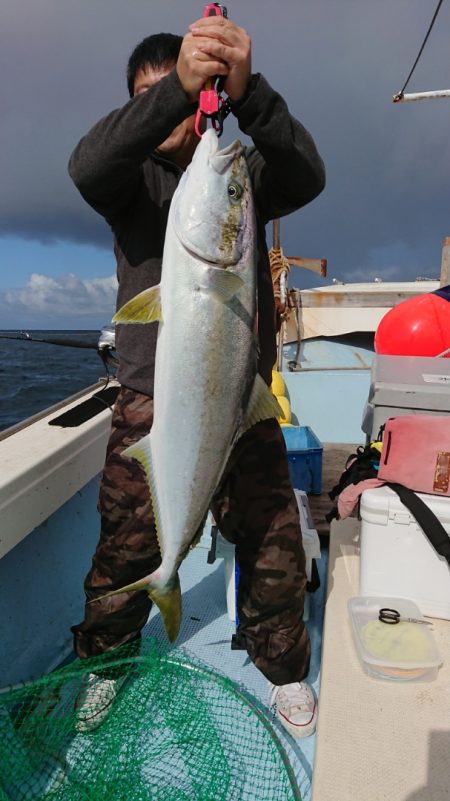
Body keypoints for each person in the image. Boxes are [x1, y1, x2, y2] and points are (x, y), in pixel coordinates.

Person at [69, 14, 325, 739]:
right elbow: (86, 164)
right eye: (158, 101)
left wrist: (251, 96)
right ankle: (106, 663)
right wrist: (175, 90)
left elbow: (309, 172)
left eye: (189, 97)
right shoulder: (132, 184)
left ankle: (283, 669)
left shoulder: (234, 176)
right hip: (151, 403)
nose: (179, 116)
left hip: (240, 402)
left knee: (274, 540)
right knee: (126, 546)